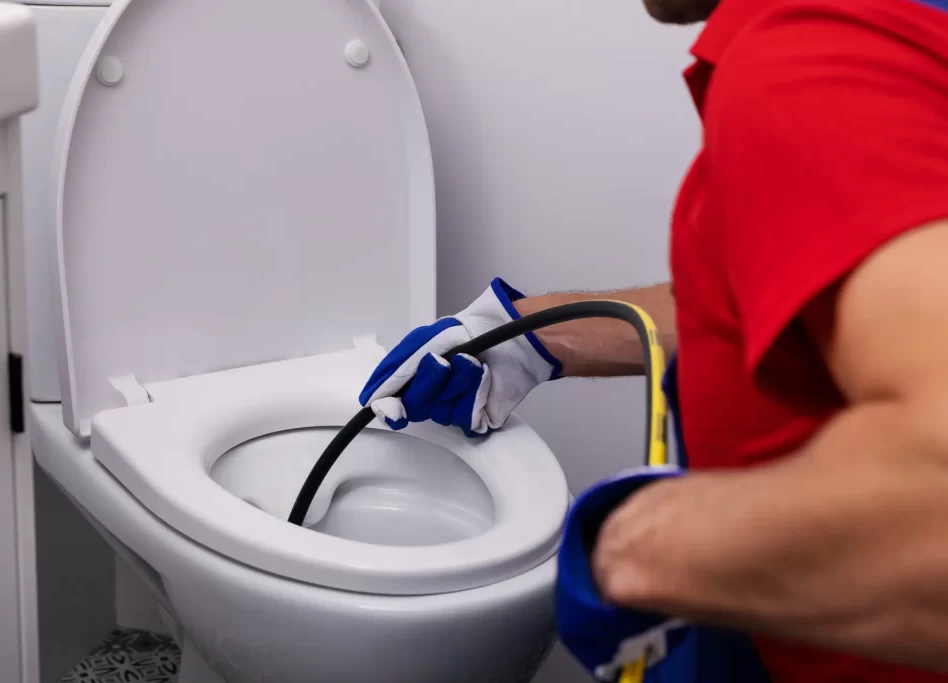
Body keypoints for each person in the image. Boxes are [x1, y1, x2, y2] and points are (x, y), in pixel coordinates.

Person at [358, 0, 948, 678]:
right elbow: (794, 293)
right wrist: (534, 332)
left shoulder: (808, 69)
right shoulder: (896, 28)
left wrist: (637, 551)